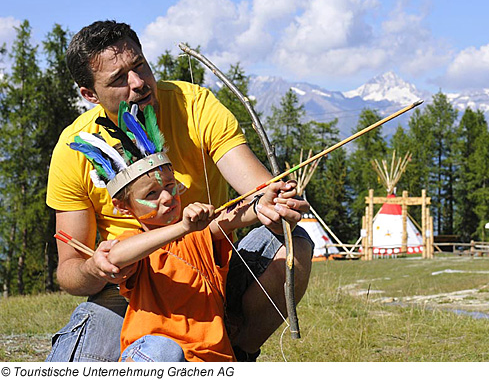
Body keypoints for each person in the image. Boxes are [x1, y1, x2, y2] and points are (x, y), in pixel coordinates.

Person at [46, 20, 313, 362]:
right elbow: (69, 269)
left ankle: (237, 351)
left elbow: (257, 191)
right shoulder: (73, 150)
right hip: (126, 290)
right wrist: (95, 269)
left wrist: (272, 203)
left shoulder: (194, 105)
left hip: (210, 271)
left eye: (139, 65)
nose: (138, 83)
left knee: (294, 242)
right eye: (118, 79)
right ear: (89, 95)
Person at [66, 102, 295, 362]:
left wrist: (263, 201)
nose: (167, 197)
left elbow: (231, 217)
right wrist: (182, 227)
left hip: (211, 358)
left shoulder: (198, 233)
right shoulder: (136, 244)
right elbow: (116, 256)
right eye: (151, 193)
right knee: (165, 350)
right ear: (123, 207)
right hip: (152, 358)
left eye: (170, 185)